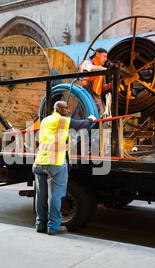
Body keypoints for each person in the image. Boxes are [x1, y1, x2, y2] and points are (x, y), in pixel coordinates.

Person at [33, 101, 96, 235]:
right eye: (66, 108)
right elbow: (82, 124)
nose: (68, 110)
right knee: (55, 196)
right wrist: (91, 119)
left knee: (41, 196)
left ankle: (40, 225)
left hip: (39, 162)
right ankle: (53, 227)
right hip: (55, 163)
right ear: (60, 109)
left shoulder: (44, 120)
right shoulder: (63, 120)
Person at [79, 48, 112, 117]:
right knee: (86, 116)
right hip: (86, 94)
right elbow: (90, 68)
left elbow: (102, 87)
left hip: (97, 97)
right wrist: (106, 69)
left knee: (103, 116)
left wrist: (109, 86)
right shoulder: (86, 62)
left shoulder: (101, 69)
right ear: (97, 54)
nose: (106, 59)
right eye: (104, 56)